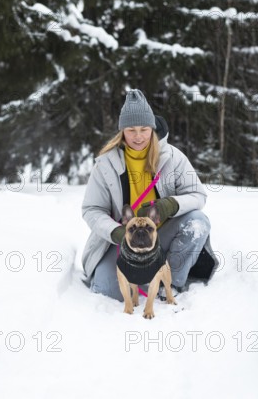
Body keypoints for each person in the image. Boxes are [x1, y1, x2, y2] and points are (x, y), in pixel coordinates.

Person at [81, 89, 218, 301]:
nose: (138, 136)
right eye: (131, 130)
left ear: (153, 129)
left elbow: (198, 195)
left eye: (144, 129)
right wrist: (116, 231)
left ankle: (170, 282)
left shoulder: (173, 157)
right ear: (122, 131)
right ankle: (136, 272)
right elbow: (92, 209)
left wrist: (169, 205)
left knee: (197, 222)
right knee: (106, 291)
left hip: (160, 236)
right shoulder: (106, 164)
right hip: (121, 242)